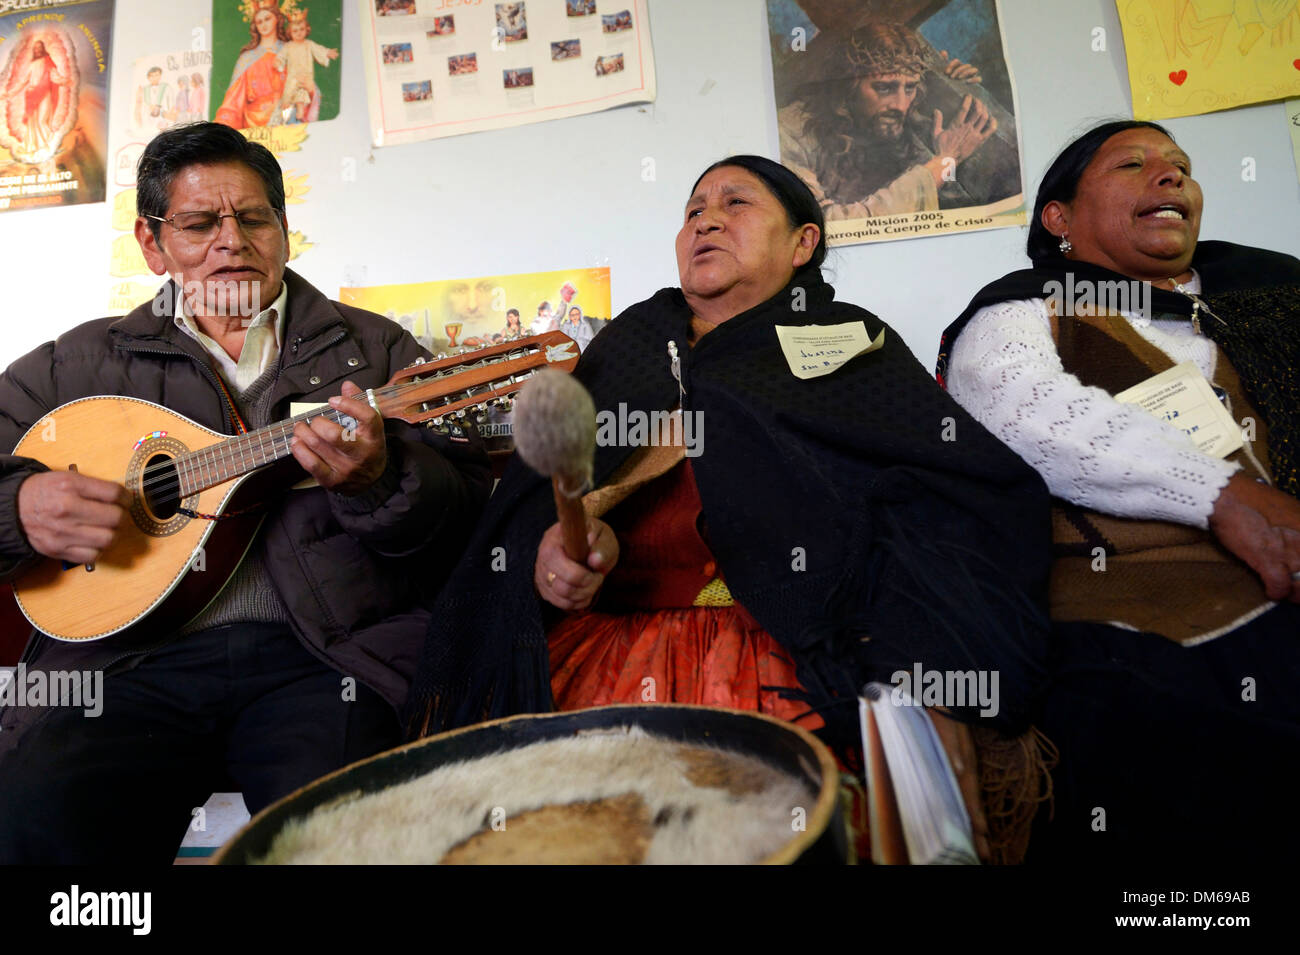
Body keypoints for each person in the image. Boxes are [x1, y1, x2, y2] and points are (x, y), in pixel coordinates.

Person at [406, 155, 1055, 860]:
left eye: (736, 203)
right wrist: (555, 559)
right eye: (692, 211)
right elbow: (541, 510)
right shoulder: (631, 347)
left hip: (798, 648)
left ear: (803, 243)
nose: (706, 219)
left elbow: (946, 490)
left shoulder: (851, 346)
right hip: (608, 651)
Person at [0, 122, 492, 863]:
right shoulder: (75, 365)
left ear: (284, 230)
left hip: (327, 661)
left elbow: (469, 517)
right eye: (200, 223)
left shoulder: (377, 352)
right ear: (152, 243)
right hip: (126, 665)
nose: (233, 240)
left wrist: (379, 483)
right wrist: (18, 510)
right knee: (41, 815)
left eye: (254, 217)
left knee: (351, 835)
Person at [938, 120, 1300, 862]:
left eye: (1181, 167)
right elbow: (1026, 409)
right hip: (1136, 610)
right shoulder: (1022, 309)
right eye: (1133, 164)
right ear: (1059, 219)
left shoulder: (1271, 290)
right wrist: (1224, 495)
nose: (1169, 176)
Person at [778, 21, 998, 220]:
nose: (901, 105)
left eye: (910, 87)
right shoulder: (787, 132)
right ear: (847, 88)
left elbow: (953, 205)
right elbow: (828, 223)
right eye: (884, 88)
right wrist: (944, 162)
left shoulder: (898, 123)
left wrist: (952, 88)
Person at [215, 1, 288, 129]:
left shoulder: (289, 51)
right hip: (253, 126)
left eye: (267, 19)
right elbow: (233, 102)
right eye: (259, 22)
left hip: (286, 120)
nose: (264, 24)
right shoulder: (247, 58)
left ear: (277, 19)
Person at [275, 9, 339, 125]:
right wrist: (278, 62)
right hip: (293, 77)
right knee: (288, 93)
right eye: (295, 31)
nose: (299, 33)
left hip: (305, 75)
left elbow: (319, 49)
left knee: (302, 92)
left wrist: (328, 53)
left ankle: (301, 111)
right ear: (290, 32)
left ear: (306, 30)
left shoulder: (308, 44)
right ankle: (286, 108)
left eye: (301, 29)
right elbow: (281, 56)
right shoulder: (288, 46)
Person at [9, 38, 67, 157]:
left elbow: (55, 76)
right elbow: (23, 81)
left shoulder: (48, 61)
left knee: (41, 120)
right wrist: (11, 93)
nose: (37, 50)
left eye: (39, 47)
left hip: (44, 94)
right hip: (31, 95)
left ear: (43, 49)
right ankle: (31, 146)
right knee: (31, 123)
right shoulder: (31, 64)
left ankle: (46, 145)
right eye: (35, 48)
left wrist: (64, 80)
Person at [135, 66, 172, 131]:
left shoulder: (166, 87)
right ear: (148, 77)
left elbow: (170, 103)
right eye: (152, 76)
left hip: (162, 116)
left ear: (160, 76)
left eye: (157, 75)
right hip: (148, 117)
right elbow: (141, 104)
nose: (154, 78)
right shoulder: (144, 89)